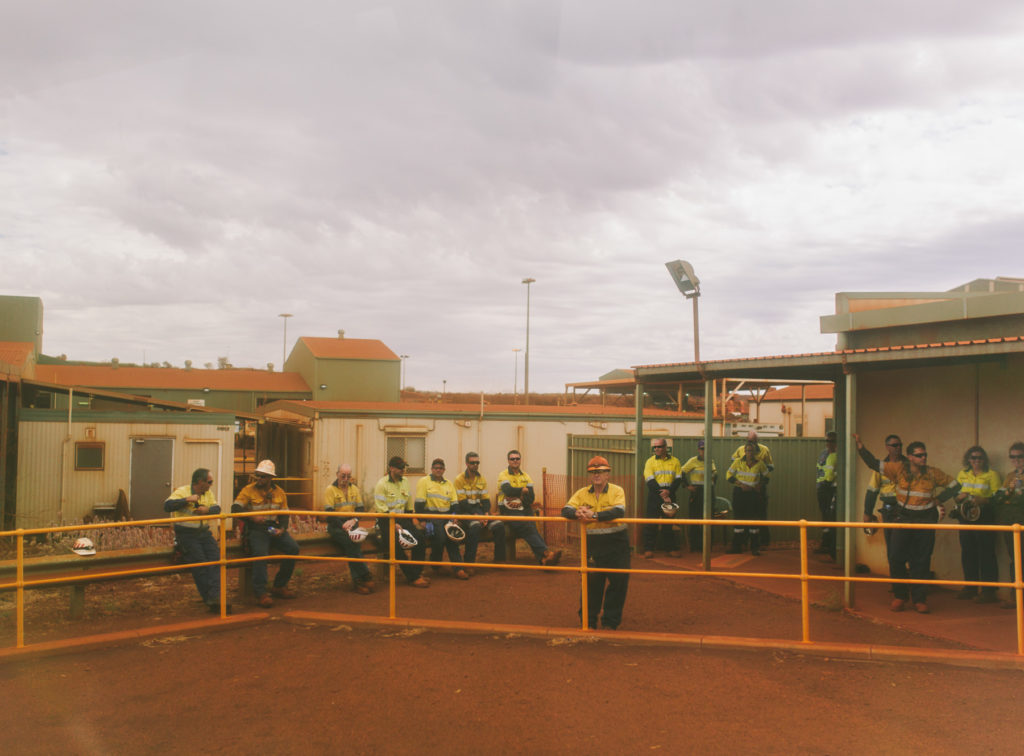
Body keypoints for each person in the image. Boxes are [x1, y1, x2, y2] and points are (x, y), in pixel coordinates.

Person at [853, 434, 961, 614]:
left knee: (922, 560)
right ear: (910, 457)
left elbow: (956, 485)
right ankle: (900, 596)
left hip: (925, 519)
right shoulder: (898, 469)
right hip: (902, 517)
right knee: (896, 557)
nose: (923, 458)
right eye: (919, 455)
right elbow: (874, 464)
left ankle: (920, 599)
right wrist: (860, 447)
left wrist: (939, 499)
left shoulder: (933, 473)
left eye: (924, 455)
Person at [562, 456, 629, 630]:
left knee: (618, 583)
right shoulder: (582, 493)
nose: (596, 475)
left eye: (600, 472)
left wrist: (594, 515)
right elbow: (566, 509)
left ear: (608, 474)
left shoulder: (617, 491)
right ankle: (588, 622)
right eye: (593, 472)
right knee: (591, 584)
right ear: (589, 476)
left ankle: (610, 623)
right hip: (593, 545)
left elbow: (619, 511)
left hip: (617, 544)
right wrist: (578, 513)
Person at [232, 459, 300, 608]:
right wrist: (252, 516)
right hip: (256, 529)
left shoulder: (279, 493)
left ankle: (279, 586)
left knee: (293, 548)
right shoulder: (248, 490)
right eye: (258, 476)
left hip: (273, 528)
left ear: (271, 478)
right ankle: (261, 593)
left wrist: (281, 529)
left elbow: (284, 514)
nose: (260, 479)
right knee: (261, 554)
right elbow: (235, 508)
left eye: (263, 476)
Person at [164, 467, 229, 613]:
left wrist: (207, 510)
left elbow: (217, 508)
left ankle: (216, 598)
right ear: (200, 482)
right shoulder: (183, 491)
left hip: (204, 534)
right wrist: (186, 500)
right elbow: (167, 506)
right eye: (209, 482)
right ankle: (211, 601)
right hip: (187, 535)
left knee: (217, 562)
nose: (211, 485)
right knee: (200, 566)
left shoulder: (208, 494)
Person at [495, 450, 562, 566]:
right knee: (526, 526)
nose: (515, 461)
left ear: (520, 460)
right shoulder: (503, 475)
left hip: (524, 507)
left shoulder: (526, 476)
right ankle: (546, 552)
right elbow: (507, 490)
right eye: (512, 459)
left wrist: (519, 499)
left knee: (532, 526)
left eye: (517, 458)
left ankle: (543, 560)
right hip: (507, 508)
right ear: (508, 461)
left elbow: (531, 497)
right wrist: (522, 490)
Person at [952, 446, 1001, 604]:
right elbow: (955, 496)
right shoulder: (962, 474)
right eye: (973, 458)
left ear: (984, 460)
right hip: (966, 516)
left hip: (984, 516)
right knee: (968, 551)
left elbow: (997, 498)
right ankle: (970, 587)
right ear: (968, 459)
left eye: (979, 458)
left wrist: (983, 500)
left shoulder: (992, 475)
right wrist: (959, 497)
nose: (976, 461)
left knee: (986, 553)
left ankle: (988, 591)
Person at [372, 456, 429, 588]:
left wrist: (411, 523)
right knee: (396, 547)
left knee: (420, 539)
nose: (403, 469)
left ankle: (417, 573)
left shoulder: (405, 482)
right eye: (400, 467)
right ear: (391, 468)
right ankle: (413, 577)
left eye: (404, 467)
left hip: (402, 519)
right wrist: (393, 524)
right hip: (385, 520)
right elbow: (381, 508)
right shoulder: (382, 484)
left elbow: (408, 506)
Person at [323, 463, 375, 595]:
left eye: (348, 476)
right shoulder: (330, 489)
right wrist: (342, 525)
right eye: (343, 476)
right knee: (352, 544)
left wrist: (354, 520)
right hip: (336, 526)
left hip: (352, 523)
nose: (345, 479)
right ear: (337, 475)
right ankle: (364, 575)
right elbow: (329, 515)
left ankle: (358, 581)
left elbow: (360, 509)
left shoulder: (354, 489)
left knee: (353, 545)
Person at [415, 458, 470, 580]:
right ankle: (436, 564)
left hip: (447, 516)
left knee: (453, 537)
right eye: (436, 468)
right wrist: (422, 520)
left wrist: (455, 515)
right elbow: (418, 504)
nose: (438, 470)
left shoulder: (449, 484)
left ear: (444, 470)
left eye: (441, 468)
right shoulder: (424, 482)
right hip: (431, 516)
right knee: (440, 536)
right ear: (432, 469)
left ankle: (458, 568)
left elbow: (455, 503)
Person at [454, 452, 505, 569]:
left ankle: (499, 560)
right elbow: (462, 503)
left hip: (479, 510)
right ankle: (469, 563)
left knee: (499, 525)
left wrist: (486, 513)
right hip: (465, 512)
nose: (475, 465)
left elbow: (486, 499)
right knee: (475, 525)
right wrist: (477, 515)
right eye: (472, 463)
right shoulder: (459, 479)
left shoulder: (481, 478)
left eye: (477, 463)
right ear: (467, 463)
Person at [862, 434, 906, 556]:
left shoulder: (908, 466)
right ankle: (895, 573)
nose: (898, 448)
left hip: (906, 511)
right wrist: (867, 513)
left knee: (906, 546)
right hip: (889, 511)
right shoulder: (881, 468)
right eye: (895, 445)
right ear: (887, 447)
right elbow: (872, 491)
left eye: (900, 445)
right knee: (892, 547)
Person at [641, 438, 683, 559]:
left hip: (670, 494)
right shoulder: (650, 462)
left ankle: (670, 549)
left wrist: (669, 492)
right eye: (655, 447)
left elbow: (678, 479)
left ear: (665, 448)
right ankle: (648, 549)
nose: (656, 449)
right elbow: (649, 479)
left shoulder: (675, 461)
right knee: (651, 523)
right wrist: (663, 494)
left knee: (668, 523)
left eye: (659, 447)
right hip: (655, 496)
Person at [726, 441, 770, 555]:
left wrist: (759, 485)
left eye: (752, 451)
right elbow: (728, 476)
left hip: (753, 495)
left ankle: (755, 547)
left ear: (755, 452)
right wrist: (740, 484)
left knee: (753, 521)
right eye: (747, 450)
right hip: (740, 493)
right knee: (739, 520)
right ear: (744, 451)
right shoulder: (737, 462)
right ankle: (737, 547)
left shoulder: (760, 464)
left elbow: (767, 477)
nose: (749, 453)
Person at [994, 442, 1024, 608]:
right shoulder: (1010, 476)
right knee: (1015, 559)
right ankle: (1016, 597)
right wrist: (1008, 491)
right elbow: (998, 498)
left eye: (1020, 456)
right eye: (1013, 457)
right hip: (1011, 522)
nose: (1016, 460)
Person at [732, 432, 775, 546]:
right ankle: (743, 542)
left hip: (757, 488)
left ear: (757, 440)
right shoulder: (740, 449)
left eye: (754, 440)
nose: (751, 443)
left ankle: (762, 542)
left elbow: (770, 466)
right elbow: (734, 463)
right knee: (742, 515)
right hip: (743, 488)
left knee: (759, 515)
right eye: (750, 441)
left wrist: (759, 475)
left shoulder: (764, 450)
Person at [681, 440, 717, 552]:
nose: (704, 451)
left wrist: (712, 485)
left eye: (706, 449)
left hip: (708, 492)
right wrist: (687, 486)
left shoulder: (711, 461)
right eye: (702, 449)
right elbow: (680, 473)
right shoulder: (693, 461)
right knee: (695, 519)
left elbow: (715, 474)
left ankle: (707, 546)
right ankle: (695, 546)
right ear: (698, 450)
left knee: (709, 519)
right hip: (697, 493)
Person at [814, 431, 838, 561]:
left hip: (830, 488)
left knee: (830, 515)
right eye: (827, 441)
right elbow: (820, 470)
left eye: (832, 441)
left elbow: (830, 474)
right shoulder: (824, 454)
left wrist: (827, 483)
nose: (829, 444)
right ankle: (825, 542)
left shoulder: (837, 455)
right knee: (824, 514)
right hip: (821, 487)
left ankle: (830, 545)